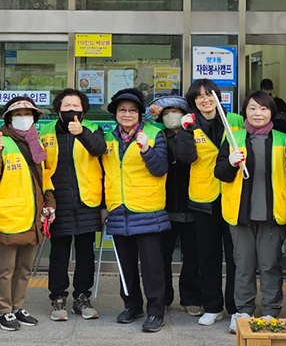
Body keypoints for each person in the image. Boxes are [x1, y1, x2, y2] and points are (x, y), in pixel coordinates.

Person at [215, 91, 286, 333]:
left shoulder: (283, 138)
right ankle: (243, 311)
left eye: (264, 109)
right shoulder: (232, 137)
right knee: (243, 265)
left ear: (272, 113)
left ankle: (270, 311)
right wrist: (230, 162)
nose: (258, 113)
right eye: (252, 108)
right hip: (240, 214)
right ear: (245, 111)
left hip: (273, 213)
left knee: (270, 265)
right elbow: (220, 174)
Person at [0, 97, 55, 331]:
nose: (24, 118)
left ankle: (17, 307)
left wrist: (50, 202)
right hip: (8, 216)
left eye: (28, 114)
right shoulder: (0, 142)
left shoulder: (36, 143)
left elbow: (45, 178)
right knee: (6, 269)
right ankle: (2, 311)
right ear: (9, 118)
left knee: (25, 268)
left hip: (33, 216)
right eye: (19, 114)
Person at [176, 79, 243, 326]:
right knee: (208, 256)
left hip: (232, 195)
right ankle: (212, 306)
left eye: (210, 94)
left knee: (237, 256)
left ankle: (236, 307)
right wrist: (184, 132)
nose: (206, 100)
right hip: (204, 198)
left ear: (218, 97)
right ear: (193, 102)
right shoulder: (190, 124)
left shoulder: (235, 120)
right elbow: (185, 157)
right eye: (199, 97)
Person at [103, 88, 170, 333]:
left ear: (140, 114)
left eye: (132, 110)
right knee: (125, 266)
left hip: (147, 210)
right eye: (122, 110)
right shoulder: (108, 138)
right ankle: (132, 305)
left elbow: (161, 169)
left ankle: (155, 311)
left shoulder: (154, 134)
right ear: (116, 114)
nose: (127, 114)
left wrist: (146, 150)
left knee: (152, 267)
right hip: (118, 209)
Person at [40, 89, 106, 321]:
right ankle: (58, 298)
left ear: (83, 109)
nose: (70, 110)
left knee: (86, 252)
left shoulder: (93, 129)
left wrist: (81, 133)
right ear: (58, 108)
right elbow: (39, 165)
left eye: (75, 106)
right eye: (66, 105)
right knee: (59, 252)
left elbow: (99, 150)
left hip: (87, 200)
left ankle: (82, 298)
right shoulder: (46, 131)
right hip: (57, 200)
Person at [149, 95, 203, 317]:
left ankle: (190, 298)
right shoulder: (156, 135)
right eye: (166, 112)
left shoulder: (196, 134)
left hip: (193, 205)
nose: (171, 115)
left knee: (192, 257)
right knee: (161, 257)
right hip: (163, 206)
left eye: (176, 111)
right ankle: (163, 298)